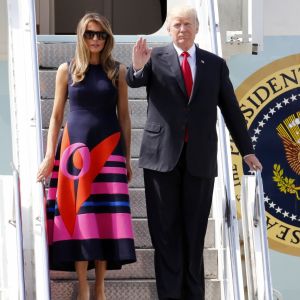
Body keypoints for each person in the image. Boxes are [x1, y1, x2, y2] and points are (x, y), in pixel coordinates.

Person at [126, 5, 262, 300]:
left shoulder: (214, 64)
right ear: (169, 29)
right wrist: (137, 66)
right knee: (165, 236)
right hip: (161, 160)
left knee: (194, 234)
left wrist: (247, 150)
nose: (182, 30)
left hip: (199, 160)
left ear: (197, 28)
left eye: (188, 24)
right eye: (177, 25)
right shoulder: (156, 57)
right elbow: (134, 81)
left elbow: (232, 110)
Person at [37, 12, 136, 300]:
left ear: (108, 38)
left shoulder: (118, 71)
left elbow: (126, 118)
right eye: (90, 34)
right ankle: (82, 284)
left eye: (101, 34)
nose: (95, 39)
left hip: (109, 151)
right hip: (73, 153)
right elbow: (56, 117)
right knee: (79, 217)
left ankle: (100, 286)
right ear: (81, 36)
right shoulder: (66, 71)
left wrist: (128, 158)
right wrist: (48, 157)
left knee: (104, 219)